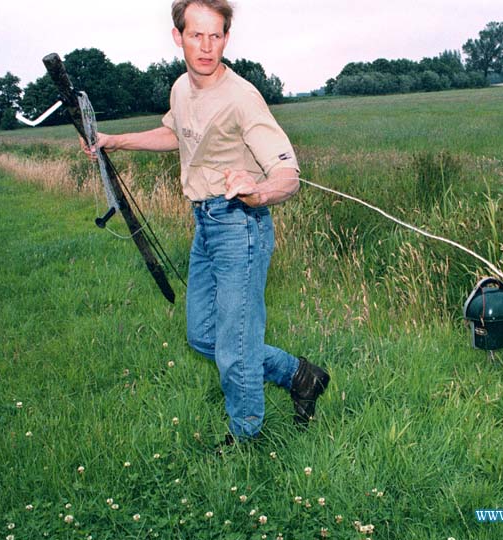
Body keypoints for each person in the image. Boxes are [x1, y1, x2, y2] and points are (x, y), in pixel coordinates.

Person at [83, 0, 329, 447]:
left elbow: (288, 174)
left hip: (242, 226)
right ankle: (300, 375)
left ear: (226, 38)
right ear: (177, 36)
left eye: (216, 35)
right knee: (203, 336)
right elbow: (177, 133)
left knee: (235, 347)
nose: (207, 46)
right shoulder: (181, 87)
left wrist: (258, 191)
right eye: (196, 35)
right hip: (206, 223)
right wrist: (114, 141)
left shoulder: (240, 96)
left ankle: (246, 437)